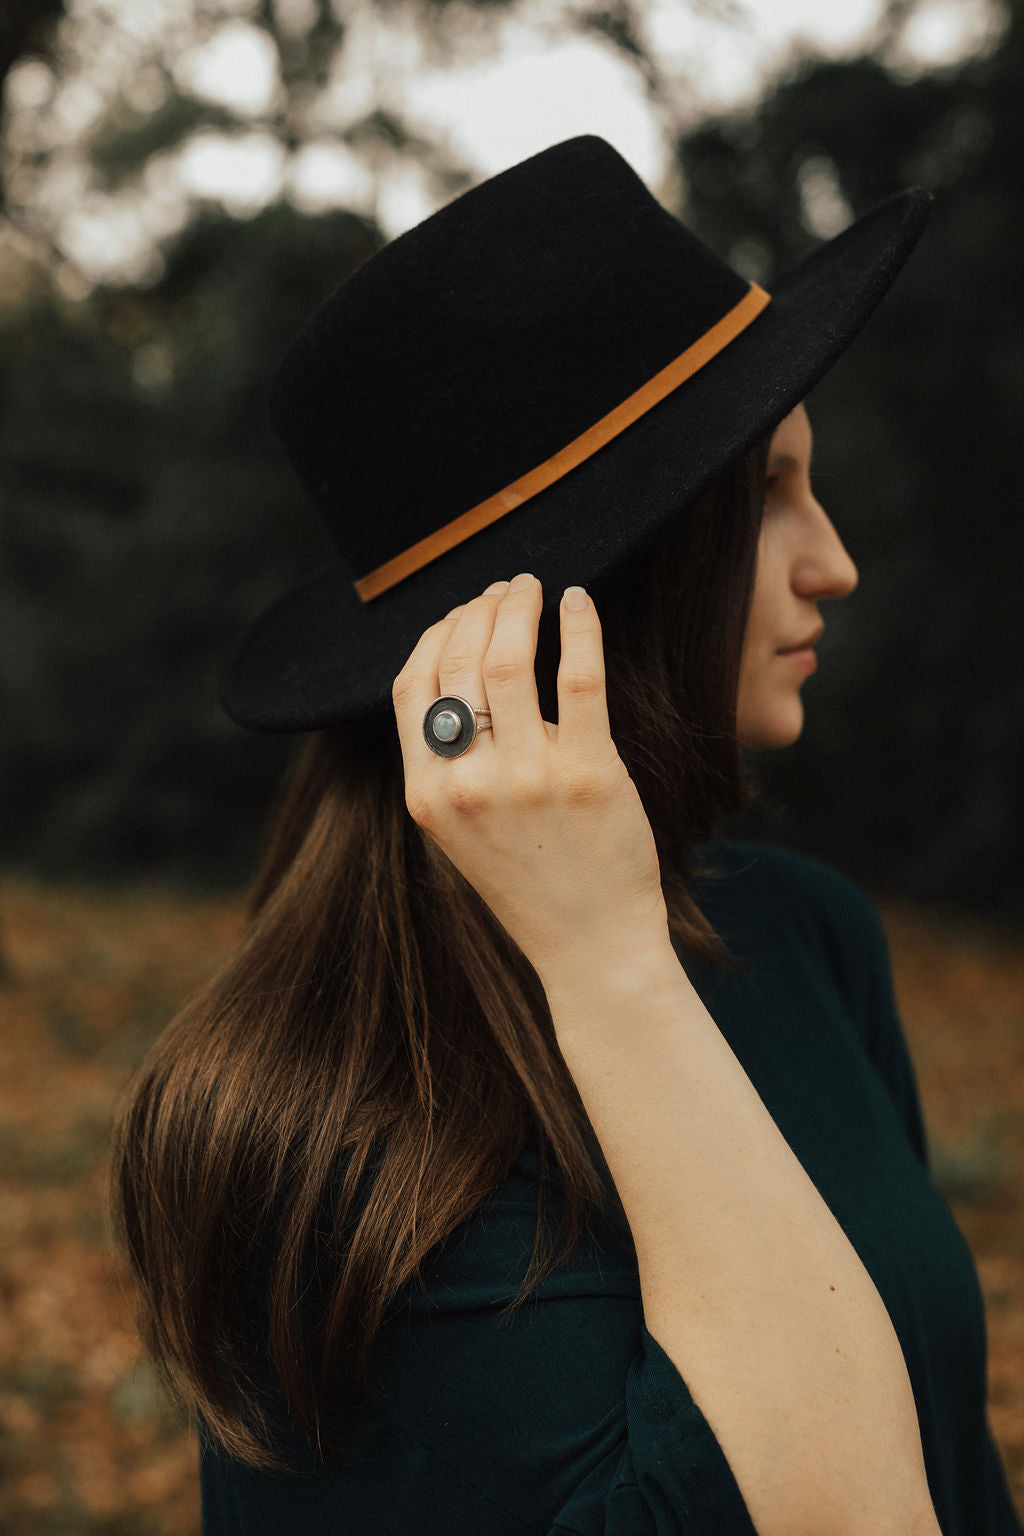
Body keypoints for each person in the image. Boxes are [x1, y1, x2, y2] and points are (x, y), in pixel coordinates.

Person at [111, 136, 1023, 1535]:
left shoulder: (804, 935)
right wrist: (604, 960)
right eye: (771, 492)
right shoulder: (362, 1120)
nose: (833, 559)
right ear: (613, 570)